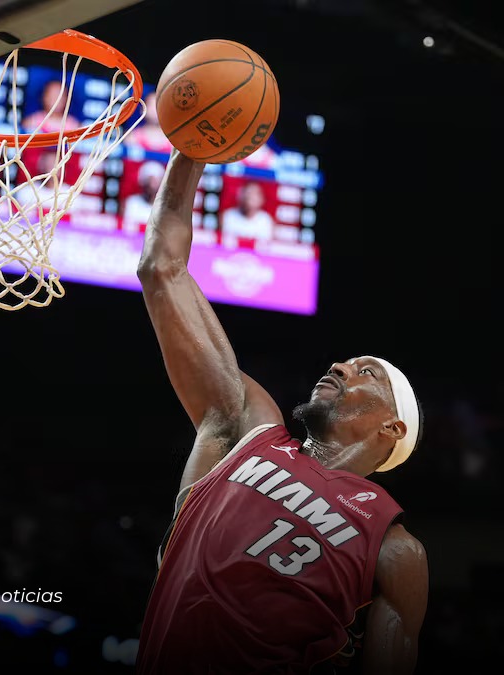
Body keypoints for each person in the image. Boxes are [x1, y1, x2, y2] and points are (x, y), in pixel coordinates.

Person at [134, 150, 429, 674]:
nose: (341, 365)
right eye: (347, 361)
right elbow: (161, 267)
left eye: (367, 372)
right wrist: (190, 152)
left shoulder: (394, 547)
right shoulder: (245, 426)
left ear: (392, 427)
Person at [121, 160, 164, 234]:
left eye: (155, 181)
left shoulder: (167, 208)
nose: (151, 185)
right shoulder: (131, 204)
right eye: (149, 180)